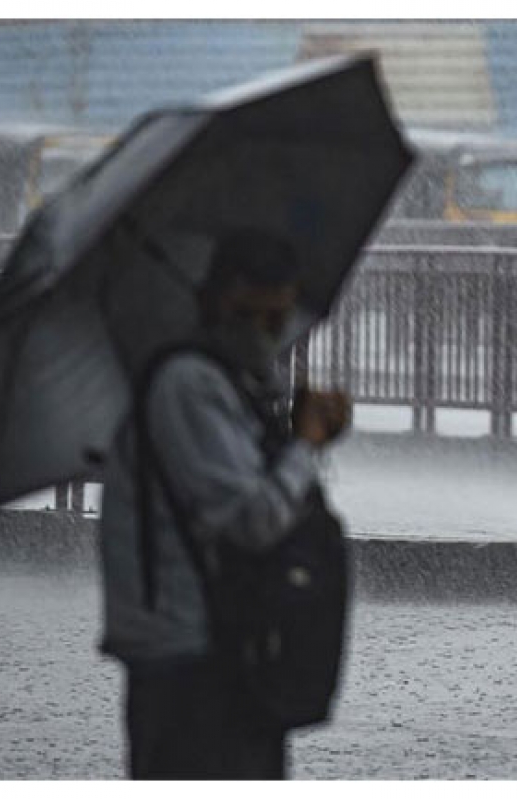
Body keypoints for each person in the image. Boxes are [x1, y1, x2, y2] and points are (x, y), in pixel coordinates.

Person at [97, 229, 351, 779]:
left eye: (278, 320)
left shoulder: (228, 380)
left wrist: (295, 436)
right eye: (255, 317)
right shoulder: (188, 384)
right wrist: (304, 445)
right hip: (189, 657)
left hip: (225, 648)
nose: (268, 335)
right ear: (219, 302)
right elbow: (251, 520)